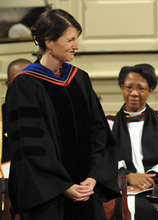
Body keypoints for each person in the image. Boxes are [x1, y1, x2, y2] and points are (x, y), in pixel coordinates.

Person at [5, 9, 119, 220]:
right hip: (49, 200)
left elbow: (99, 132)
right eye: (70, 40)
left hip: (87, 192)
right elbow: (30, 148)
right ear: (49, 42)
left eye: (76, 39)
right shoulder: (25, 84)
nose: (76, 45)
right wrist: (63, 187)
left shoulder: (79, 79)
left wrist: (94, 177)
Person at [107, 64, 158, 220]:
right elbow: (103, 159)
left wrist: (152, 178)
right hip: (122, 189)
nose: (134, 93)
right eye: (129, 87)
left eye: (141, 88)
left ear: (150, 90)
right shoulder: (108, 125)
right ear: (122, 88)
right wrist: (127, 176)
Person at [1, 58, 32, 164]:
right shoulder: (1, 117)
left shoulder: (49, 113)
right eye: (18, 82)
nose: (25, 88)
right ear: (8, 84)